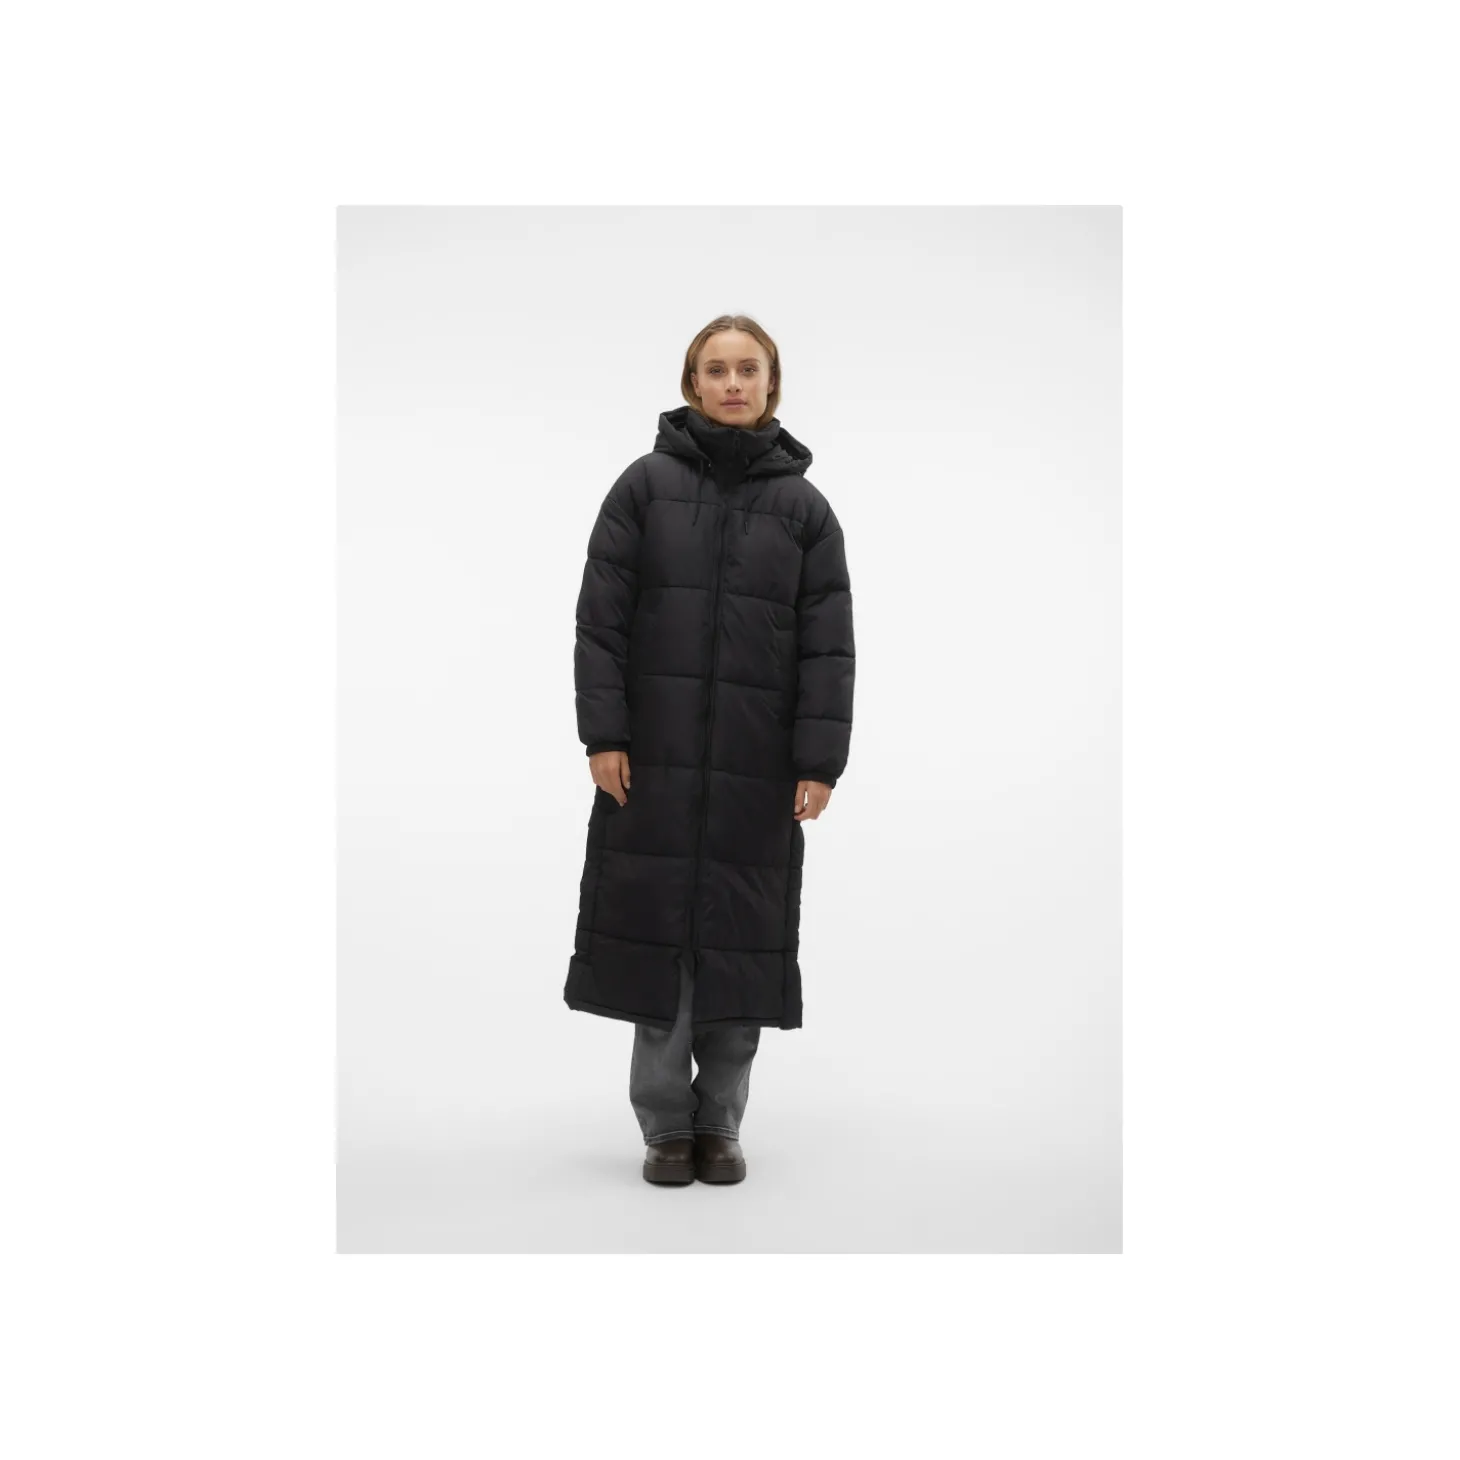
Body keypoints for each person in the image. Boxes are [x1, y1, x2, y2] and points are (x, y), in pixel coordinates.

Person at [565, 314, 855, 1186]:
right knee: (657, 939)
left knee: (741, 942)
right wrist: (605, 735)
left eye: (747, 370)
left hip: (755, 773)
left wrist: (817, 762)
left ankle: (720, 1122)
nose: (732, 384)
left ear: (771, 383)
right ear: (693, 383)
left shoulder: (805, 512)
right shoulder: (643, 488)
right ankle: (665, 1126)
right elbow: (601, 622)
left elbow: (828, 648)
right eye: (716, 370)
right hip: (651, 764)